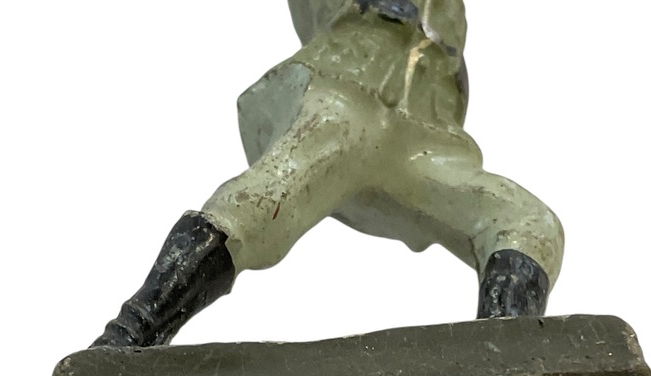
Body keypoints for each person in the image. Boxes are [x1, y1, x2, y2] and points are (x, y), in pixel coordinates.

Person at [92, 0, 564, 348]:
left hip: (425, 136)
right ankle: (130, 335)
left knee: (528, 224)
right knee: (262, 207)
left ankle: (502, 361)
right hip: (344, 92)